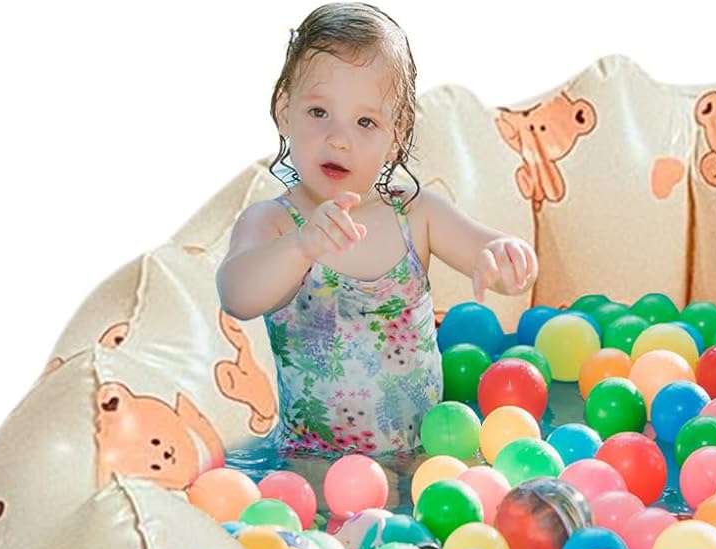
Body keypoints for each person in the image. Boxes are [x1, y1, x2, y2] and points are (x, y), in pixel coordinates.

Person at [218, 3, 537, 502]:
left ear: (397, 136)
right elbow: (237, 294)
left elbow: (482, 248)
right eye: (318, 113)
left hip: (425, 455)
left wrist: (503, 256)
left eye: (365, 121)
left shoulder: (417, 213)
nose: (339, 139)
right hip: (315, 465)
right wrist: (302, 246)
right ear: (284, 111)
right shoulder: (275, 223)